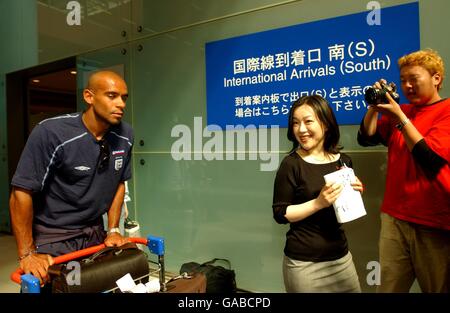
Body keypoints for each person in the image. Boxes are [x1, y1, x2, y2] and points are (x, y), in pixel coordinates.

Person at [9, 70, 133, 285]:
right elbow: (21, 192)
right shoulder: (51, 132)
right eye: (112, 96)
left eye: (124, 97)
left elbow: (119, 182)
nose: (120, 103)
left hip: (94, 233)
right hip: (55, 236)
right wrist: (26, 254)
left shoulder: (125, 135)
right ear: (89, 97)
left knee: (96, 286)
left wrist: (113, 229)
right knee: (62, 288)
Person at [357, 49, 450, 293]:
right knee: (388, 288)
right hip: (394, 218)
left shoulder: (446, 111)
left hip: (433, 223)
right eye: (403, 80)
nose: (407, 85)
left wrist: (399, 116)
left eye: (414, 79)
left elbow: (429, 158)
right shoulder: (403, 111)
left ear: (436, 78)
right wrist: (375, 106)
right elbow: (366, 137)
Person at [272, 95, 363, 292]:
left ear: (326, 123)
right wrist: (318, 203)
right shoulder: (291, 164)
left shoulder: (344, 161)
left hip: (342, 258)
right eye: (295, 123)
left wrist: (353, 194)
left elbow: (344, 212)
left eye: (308, 121)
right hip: (304, 265)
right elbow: (280, 213)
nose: (301, 129)